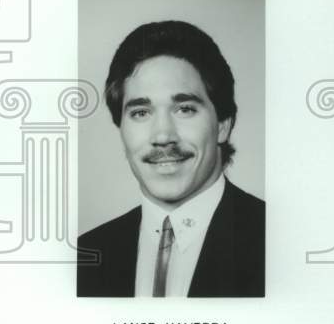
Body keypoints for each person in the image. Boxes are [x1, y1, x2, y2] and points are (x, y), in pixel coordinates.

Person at [78, 20, 264, 297]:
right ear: (122, 129)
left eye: (185, 109)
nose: (163, 136)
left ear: (223, 124)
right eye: (141, 112)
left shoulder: (276, 241)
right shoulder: (86, 254)